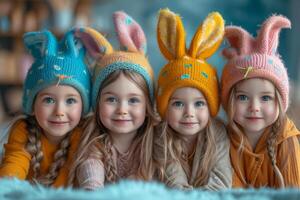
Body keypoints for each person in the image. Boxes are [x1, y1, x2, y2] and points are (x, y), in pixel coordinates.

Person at [68, 11, 158, 189]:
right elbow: (90, 164)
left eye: (133, 100)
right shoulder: (96, 140)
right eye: (111, 99)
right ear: (97, 102)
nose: (122, 110)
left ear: (148, 104)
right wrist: (92, 186)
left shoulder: (155, 139)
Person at [0, 29, 91, 187]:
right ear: (32, 105)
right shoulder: (23, 129)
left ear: (83, 106)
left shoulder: (82, 134)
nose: (59, 112)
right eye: (48, 100)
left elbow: (70, 179)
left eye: (70, 101)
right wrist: (6, 187)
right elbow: (14, 165)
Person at [154, 9, 232, 190]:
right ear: (164, 108)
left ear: (211, 107)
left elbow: (222, 179)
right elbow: (174, 182)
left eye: (199, 103)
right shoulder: (161, 135)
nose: (189, 113)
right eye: (178, 103)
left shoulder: (218, 133)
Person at [221, 15, 300, 188]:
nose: (254, 108)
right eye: (242, 97)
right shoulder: (224, 140)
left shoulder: (286, 141)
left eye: (265, 98)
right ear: (229, 102)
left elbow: (293, 192)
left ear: (280, 102)